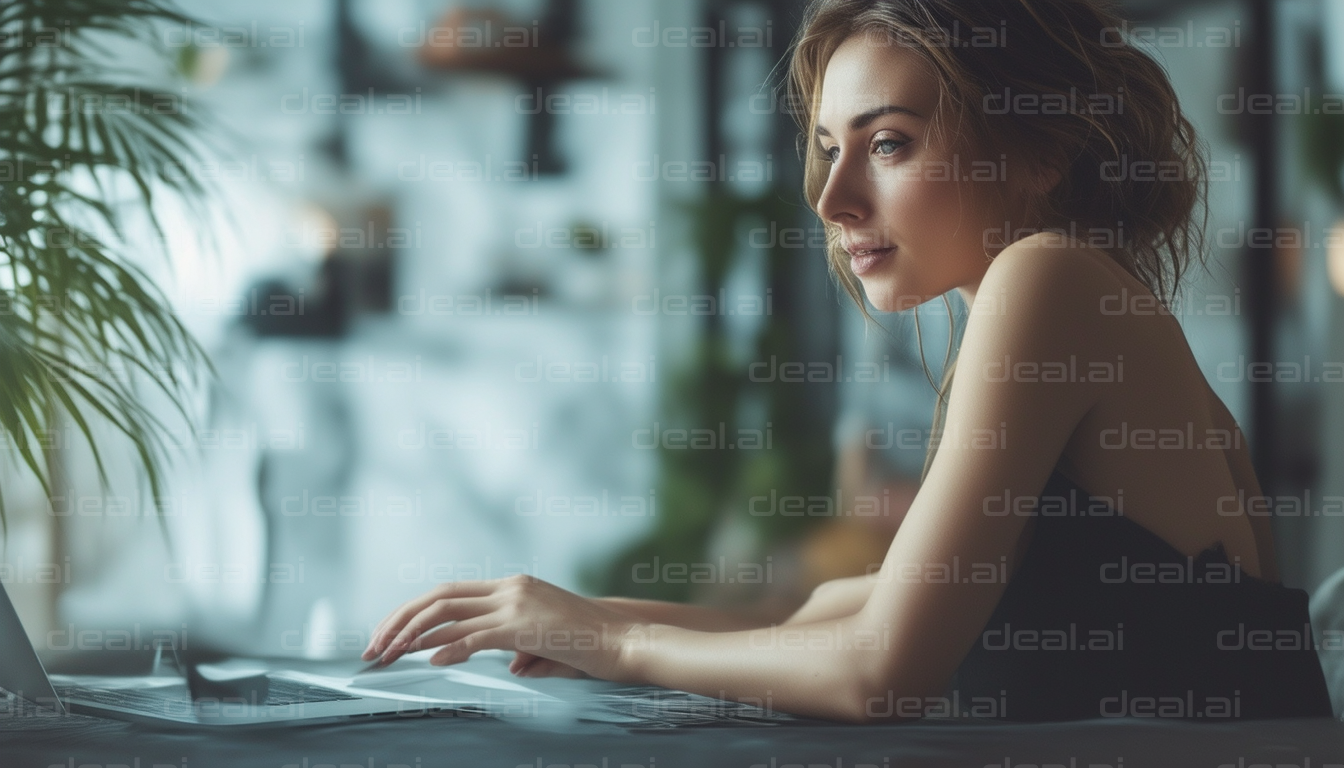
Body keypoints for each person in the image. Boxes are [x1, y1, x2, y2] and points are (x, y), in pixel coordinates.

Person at [361, 0, 1335, 723]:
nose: (832, 200)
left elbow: (880, 671)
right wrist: (561, 616)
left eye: (891, 145)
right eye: (827, 148)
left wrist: (610, 639)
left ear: (1040, 153)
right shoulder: (1068, 301)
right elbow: (833, 613)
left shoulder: (1052, 280)